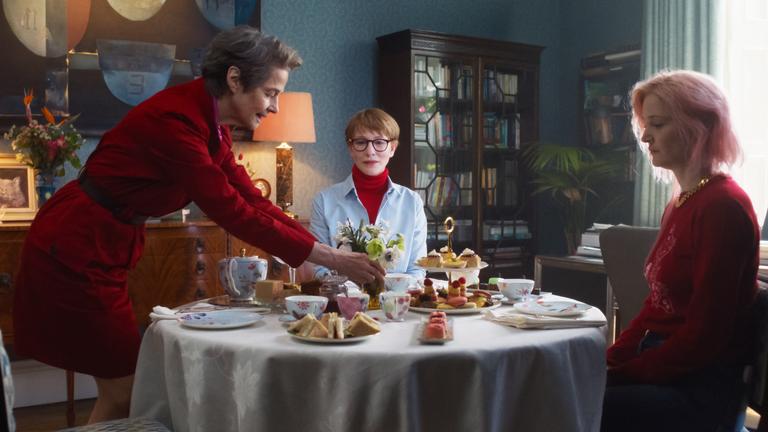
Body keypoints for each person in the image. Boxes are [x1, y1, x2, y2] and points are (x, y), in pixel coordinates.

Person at [12, 26, 384, 424]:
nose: (275, 106)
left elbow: (251, 199)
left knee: (121, 385)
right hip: (76, 244)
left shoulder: (213, 127)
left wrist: (325, 252)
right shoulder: (176, 121)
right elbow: (230, 210)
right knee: (124, 388)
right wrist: (332, 258)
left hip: (106, 241)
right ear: (235, 79)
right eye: (271, 93)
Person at [601, 70, 760, 431]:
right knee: (570, 389)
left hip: (700, 387)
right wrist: (611, 360)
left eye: (656, 124)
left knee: (573, 402)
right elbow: (655, 307)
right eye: (646, 125)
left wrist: (624, 373)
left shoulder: (723, 207)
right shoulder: (682, 201)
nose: (645, 137)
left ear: (701, 125)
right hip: (666, 366)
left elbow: (704, 336)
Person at [309, 108, 427, 282]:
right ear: (351, 148)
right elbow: (319, 269)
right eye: (361, 142)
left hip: (398, 301)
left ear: (392, 149)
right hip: (344, 300)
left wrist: (392, 292)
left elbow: (417, 269)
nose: (370, 151)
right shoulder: (324, 201)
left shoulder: (412, 202)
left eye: (379, 142)